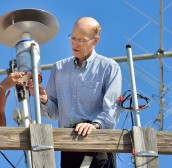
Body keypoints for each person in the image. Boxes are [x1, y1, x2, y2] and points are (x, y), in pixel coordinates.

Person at [30, 17, 122, 167]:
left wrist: (95, 125)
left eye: (81, 40)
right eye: (72, 38)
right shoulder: (59, 68)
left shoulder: (109, 67)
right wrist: (44, 100)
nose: (75, 43)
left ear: (95, 41)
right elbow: (54, 113)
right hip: (69, 143)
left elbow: (112, 109)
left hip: (98, 141)